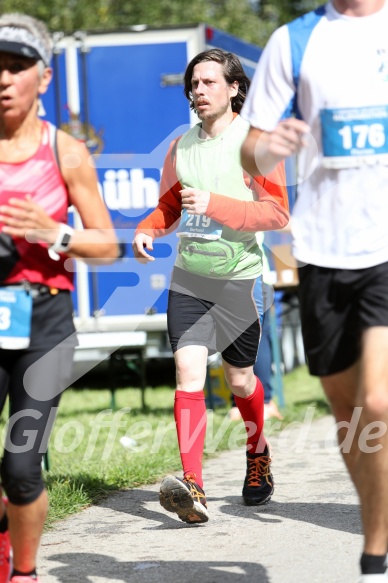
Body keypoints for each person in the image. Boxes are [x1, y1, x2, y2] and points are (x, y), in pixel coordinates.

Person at [240, 1, 388, 580]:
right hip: (323, 250)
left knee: (377, 404)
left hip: (385, 247)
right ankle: (376, 511)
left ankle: (375, 554)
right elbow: (250, 148)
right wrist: (272, 145)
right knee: (348, 411)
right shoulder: (294, 40)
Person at [132, 48, 289, 524]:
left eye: (208, 82)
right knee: (188, 374)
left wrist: (217, 204)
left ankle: (257, 453)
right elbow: (169, 206)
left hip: (239, 280)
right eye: (193, 84)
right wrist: (148, 227)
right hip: (190, 280)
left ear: (234, 88)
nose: (197, 91)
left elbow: (277, 213)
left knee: (240, 380)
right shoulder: (181, 146)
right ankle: (193, 486)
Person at [0, 13, 118, 583]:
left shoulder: (66, 152)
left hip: (43, 320)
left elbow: (109, 245)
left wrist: (54, 233)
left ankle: (25, 573)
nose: (4, 79)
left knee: (21, 467)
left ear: (43, 78)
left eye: (17, 68)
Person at [229, 233, 283, 422]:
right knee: (259, 341)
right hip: (258, 276)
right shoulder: (251, 203)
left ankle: (241, 404)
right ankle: (265, 401)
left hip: (234, 276)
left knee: (235, 340)